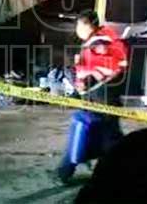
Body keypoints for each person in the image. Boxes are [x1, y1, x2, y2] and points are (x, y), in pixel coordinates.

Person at [56, 10, 129, 184]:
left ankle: (64, 172)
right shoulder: (103, 38)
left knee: (89, 133)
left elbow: (104, 67)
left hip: (100, 98)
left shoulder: (99, 42)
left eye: (79, 26)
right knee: (108, 136)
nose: (77, 30)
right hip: (103, 97)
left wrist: (86, 75)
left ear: (87, 25)